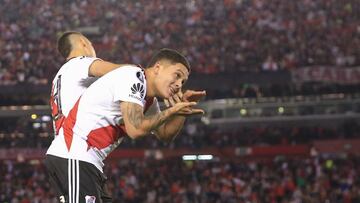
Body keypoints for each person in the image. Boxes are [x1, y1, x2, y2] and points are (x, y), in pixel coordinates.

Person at [44, 48, 206, 202]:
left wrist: (181, 110)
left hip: (87, 162)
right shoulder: (133, 76)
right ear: (157, 68)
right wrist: (170, 112)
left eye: (183, 81)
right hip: (73, 155)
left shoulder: (147, 98)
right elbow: (135, 129)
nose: (179, 84)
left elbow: (165, 134)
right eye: (177, 75)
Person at [50, 31, 131, 136]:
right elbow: (124, 71)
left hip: (61, 143)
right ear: (83, 42)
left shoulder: (59, 76)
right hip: (75, 145)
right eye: (91, 44)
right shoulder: (81, 62)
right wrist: (147, 73)